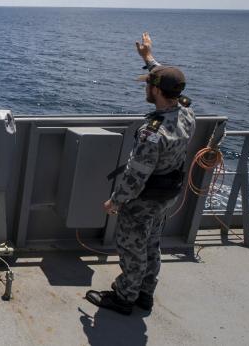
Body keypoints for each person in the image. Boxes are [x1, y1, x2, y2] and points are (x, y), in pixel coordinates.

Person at [86, 32, 195, 315]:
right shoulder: (185, 112)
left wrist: (116, 201)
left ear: (157, 91)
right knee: (151, 244)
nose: (145, 89)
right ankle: (145, 293)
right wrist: (149, 59)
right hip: (165, 196)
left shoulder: (152, 133)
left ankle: (124, 297)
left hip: (143, 199)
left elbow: (137, 174)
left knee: (132, 247)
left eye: (149, 85)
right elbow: (170, 84)